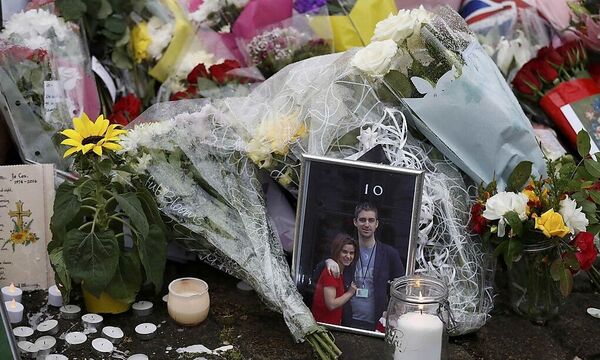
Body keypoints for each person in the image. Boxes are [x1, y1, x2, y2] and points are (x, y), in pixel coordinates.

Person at [327, 202, 405, 331]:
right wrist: (329, 261)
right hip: (346, 321)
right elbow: (319, 273)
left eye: (371, 220)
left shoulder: (389, 253)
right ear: (355, 222)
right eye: (362, 220)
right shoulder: (346, 250)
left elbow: (402, 287)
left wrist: (392, 313)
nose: (366, 224)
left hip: (378, 323)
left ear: (377, 224)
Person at [311, 233, 358, 325]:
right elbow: (331, 304)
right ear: (337, 251)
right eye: (344, 252)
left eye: (351, 253)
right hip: (324, 327)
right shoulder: (331, 272)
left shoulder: (341, 272)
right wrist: (350, 293)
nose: (348, 256)